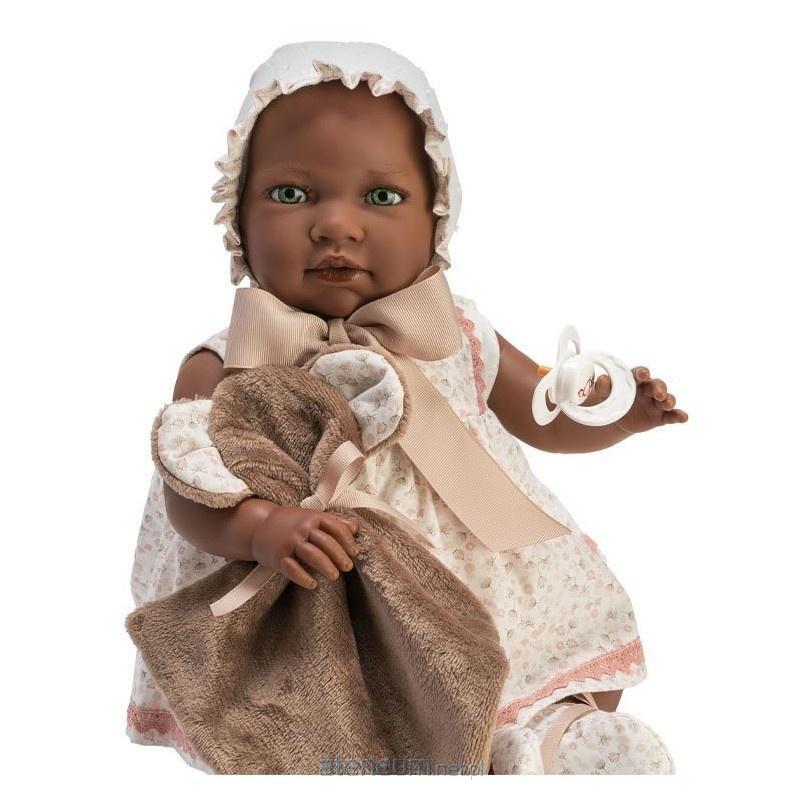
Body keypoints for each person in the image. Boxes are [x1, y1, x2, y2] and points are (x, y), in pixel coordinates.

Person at [127, 41, 686, 774]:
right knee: (333, 719)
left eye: (382, 198)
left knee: (518, 660)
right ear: (237, 214)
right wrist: (260, 528)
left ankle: (544, 738)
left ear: (437, 218)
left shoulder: (453, 334)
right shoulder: (229, 366)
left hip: (472, 576)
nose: (336, 225)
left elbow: (540, 414)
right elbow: (191, 493)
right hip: (321, 600)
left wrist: (614, 418)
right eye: (291, 195)